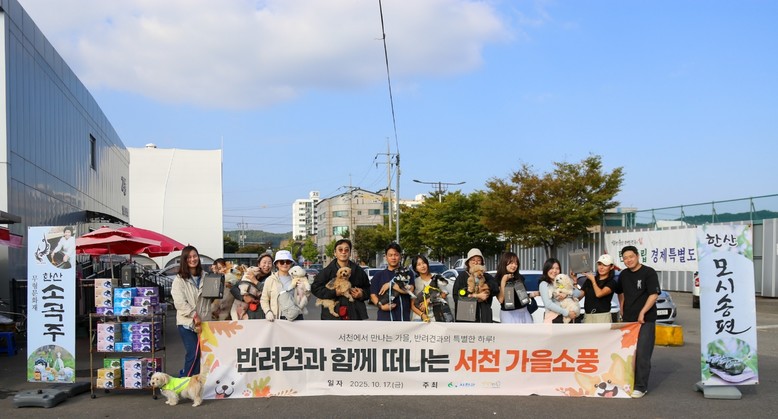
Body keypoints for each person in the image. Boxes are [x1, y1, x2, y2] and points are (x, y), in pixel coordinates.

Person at [615, 245, 660, 398]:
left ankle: (641, 387)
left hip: (645, 320)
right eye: (625, 258)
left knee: (642, 353)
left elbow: (654, 294)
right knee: (628, 352)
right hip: (629, 320)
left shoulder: (648, 272)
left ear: (637, 256)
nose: (628, 260)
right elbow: (620, 292)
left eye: (631, 257)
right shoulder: (623, 274)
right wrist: (622, 307)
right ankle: (629, 382)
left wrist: (643, 312)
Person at [170, 245, 213, 377]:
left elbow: (210, 299)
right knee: (193, 353)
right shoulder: (179, 280)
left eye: (195, 256)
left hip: (204, 321)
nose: (193, 259)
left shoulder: (206, 276)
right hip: (187, 323)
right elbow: (179, 303)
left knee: (203, 354)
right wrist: (194, 315)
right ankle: (187, 381)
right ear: (184, 260)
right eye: (189, 257)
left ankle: (198, 383)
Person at [311, 239, 370, 320]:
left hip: (354, 314)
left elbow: (368, 288)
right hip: (332, 316)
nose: (343, 252)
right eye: (340, 250)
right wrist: (334, 292)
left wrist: (361, 294)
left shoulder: (359, 271)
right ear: (335, 253)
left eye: (346, 250)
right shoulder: (326, 272)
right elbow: (315, 288)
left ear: (350, 253)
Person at [452, 248, 498, 323]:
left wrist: (486, 287)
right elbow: (456, 296)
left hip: (483, 314)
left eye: (478, 260)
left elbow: (496, 288)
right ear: (468, 262)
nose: (476, 262)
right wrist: (476, 296)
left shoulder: (486, 276)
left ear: (482, 262)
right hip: (466, 315)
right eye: (473, 260)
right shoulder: (462, 276)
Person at [370, 243, 414, 321]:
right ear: (386, 257)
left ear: (400, 256)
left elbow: (411, 290)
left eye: (396, 255)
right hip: (384, 319)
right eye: (390, 255)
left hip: (403, 318)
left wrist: (391, 284)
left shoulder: (407, 273)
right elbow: (373, 295)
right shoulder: (378, 275)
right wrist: (381, 306)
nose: (393, 258)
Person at [261, 250, 306, 321]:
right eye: (281, 262)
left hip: (297, 317)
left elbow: (305, 298)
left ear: (291, 263)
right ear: (276, 264)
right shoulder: (270, 280)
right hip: (277, 319)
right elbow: (264, 299)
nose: (285, 264)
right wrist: (268, 311)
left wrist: (305, 290)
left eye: (288, 262)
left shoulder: (298, 278)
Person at [495, 252, 537, 324]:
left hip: (524, 312)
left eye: (516, 263)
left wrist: (532, 295)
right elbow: (501, 300)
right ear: (504, 262)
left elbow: (521, 296)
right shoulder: (498, 278)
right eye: (511, 263)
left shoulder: (519, 277)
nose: (514, 266)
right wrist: (503, 281)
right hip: (509, 314)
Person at [539, 258, 582, 323]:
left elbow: (578, 293)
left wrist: (566, 295)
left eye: (557, 268)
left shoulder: (562, 282)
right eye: (551, 268)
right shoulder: (544, 284)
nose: (554, 271)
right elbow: (548, 304)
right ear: (546, 269)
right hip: (553, 318)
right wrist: (567, 313)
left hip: (566, 318)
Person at [580, 254, 618, 324]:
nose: (601, 267)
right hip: (588, 316)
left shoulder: (611, 282)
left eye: (605, 265)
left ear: (611, 267)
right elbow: (579, 296)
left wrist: (593, 281)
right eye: (599, 264)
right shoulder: (590, 280)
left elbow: (599, 294)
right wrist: (574, 282)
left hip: (603, 317)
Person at [409, 255, 447, 322]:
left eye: (424, 263)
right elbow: (412, 305)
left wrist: (428, 301)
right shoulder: (415, 282)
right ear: (415, 268)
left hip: (436, 316)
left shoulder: (436, 277)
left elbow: (444, 295)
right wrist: (422, 315)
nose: (422, 266)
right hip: (419, 317)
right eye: (419, 264)